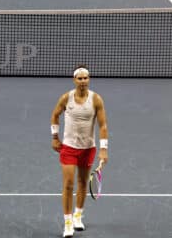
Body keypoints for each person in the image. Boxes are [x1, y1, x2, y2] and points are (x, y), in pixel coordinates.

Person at [50, 65, 109, 237]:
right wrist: (55, 137)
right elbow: (55, 115)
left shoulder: (96, 99)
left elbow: (103, 125)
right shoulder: (65, 98)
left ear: (88, 79)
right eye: (80, 78)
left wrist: (104, 149)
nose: (83, 81)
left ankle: (78, 216)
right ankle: (68, 223)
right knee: (68, 185)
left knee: (83, 183)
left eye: (86, 78)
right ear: (74, 80)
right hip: (68, 148)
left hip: (87, 148)